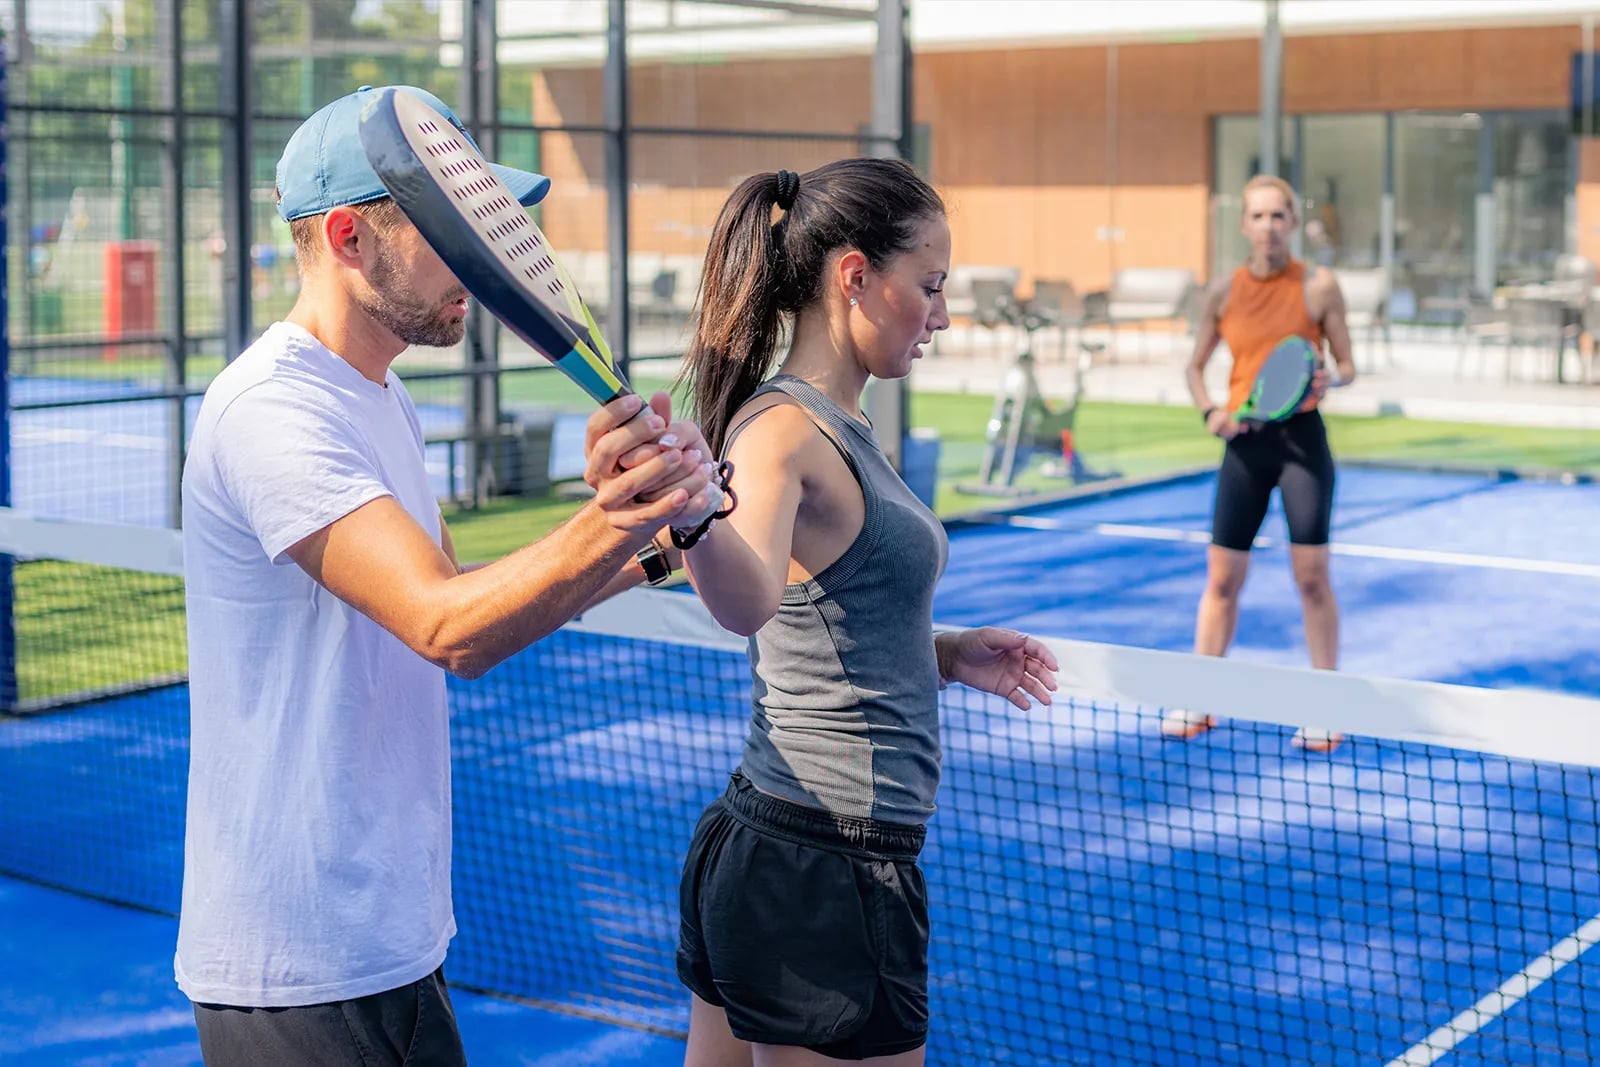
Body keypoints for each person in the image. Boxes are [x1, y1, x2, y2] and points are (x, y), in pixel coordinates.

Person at [176, 84, 722, 1066]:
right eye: (449, 231)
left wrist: (654, 544)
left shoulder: (378, 399)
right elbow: (446, 627)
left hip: (390, 936)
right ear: (347, 236)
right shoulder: (273, 410)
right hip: (302, 959)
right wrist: (620, 510)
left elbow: (458, 591)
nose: (483, 256)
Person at [660, 159, 1060, 1066]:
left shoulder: (834, 422)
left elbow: (823, 607)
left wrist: (946, 652)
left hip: (784, 847)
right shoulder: (784, 433)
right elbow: (747, 598)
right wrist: (690, 516)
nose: (944, 315)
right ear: (853, 278)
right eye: (930, 286)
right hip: (824, 866)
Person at [1162, 174, 1357, 752]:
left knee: (1312, 578)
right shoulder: (1222, 292)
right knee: (1222, 579)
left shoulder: (1320, 287)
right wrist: (1210, 413)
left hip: (1302, 443)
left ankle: (1326, 707)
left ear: (1292, 224)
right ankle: (1201, 698)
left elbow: (1348, 364)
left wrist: (1330, 376)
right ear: (1243, 225)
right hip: (1244, 446)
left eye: (1279, 216)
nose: (1268, 226)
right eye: (1258, 216)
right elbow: (1195, 368)